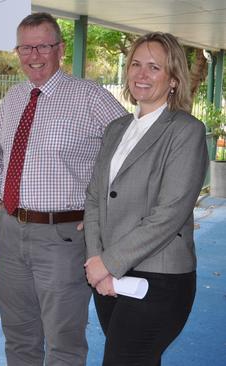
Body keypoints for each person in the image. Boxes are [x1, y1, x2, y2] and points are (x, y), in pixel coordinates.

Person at [0, 12, 127, 365]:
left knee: (63, 342)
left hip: (63, 237)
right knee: (18, 337)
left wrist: (103, 216)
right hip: (11, 234)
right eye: (25, 48)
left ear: (59, 49)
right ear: (17, 51)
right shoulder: (14, 98)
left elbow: (133, 152)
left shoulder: (89, 96)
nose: (34, 55)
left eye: (43, 46)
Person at [84, 32, 208, 365]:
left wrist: (107, 263)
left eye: (154, 67)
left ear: (173, 78)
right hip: (109, 277)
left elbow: (169, 214)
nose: (141, 74)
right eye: (136, 64)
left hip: (159, 279)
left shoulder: (186, 131)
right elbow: (95, 197)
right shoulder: (116, 128)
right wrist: (98, 262)